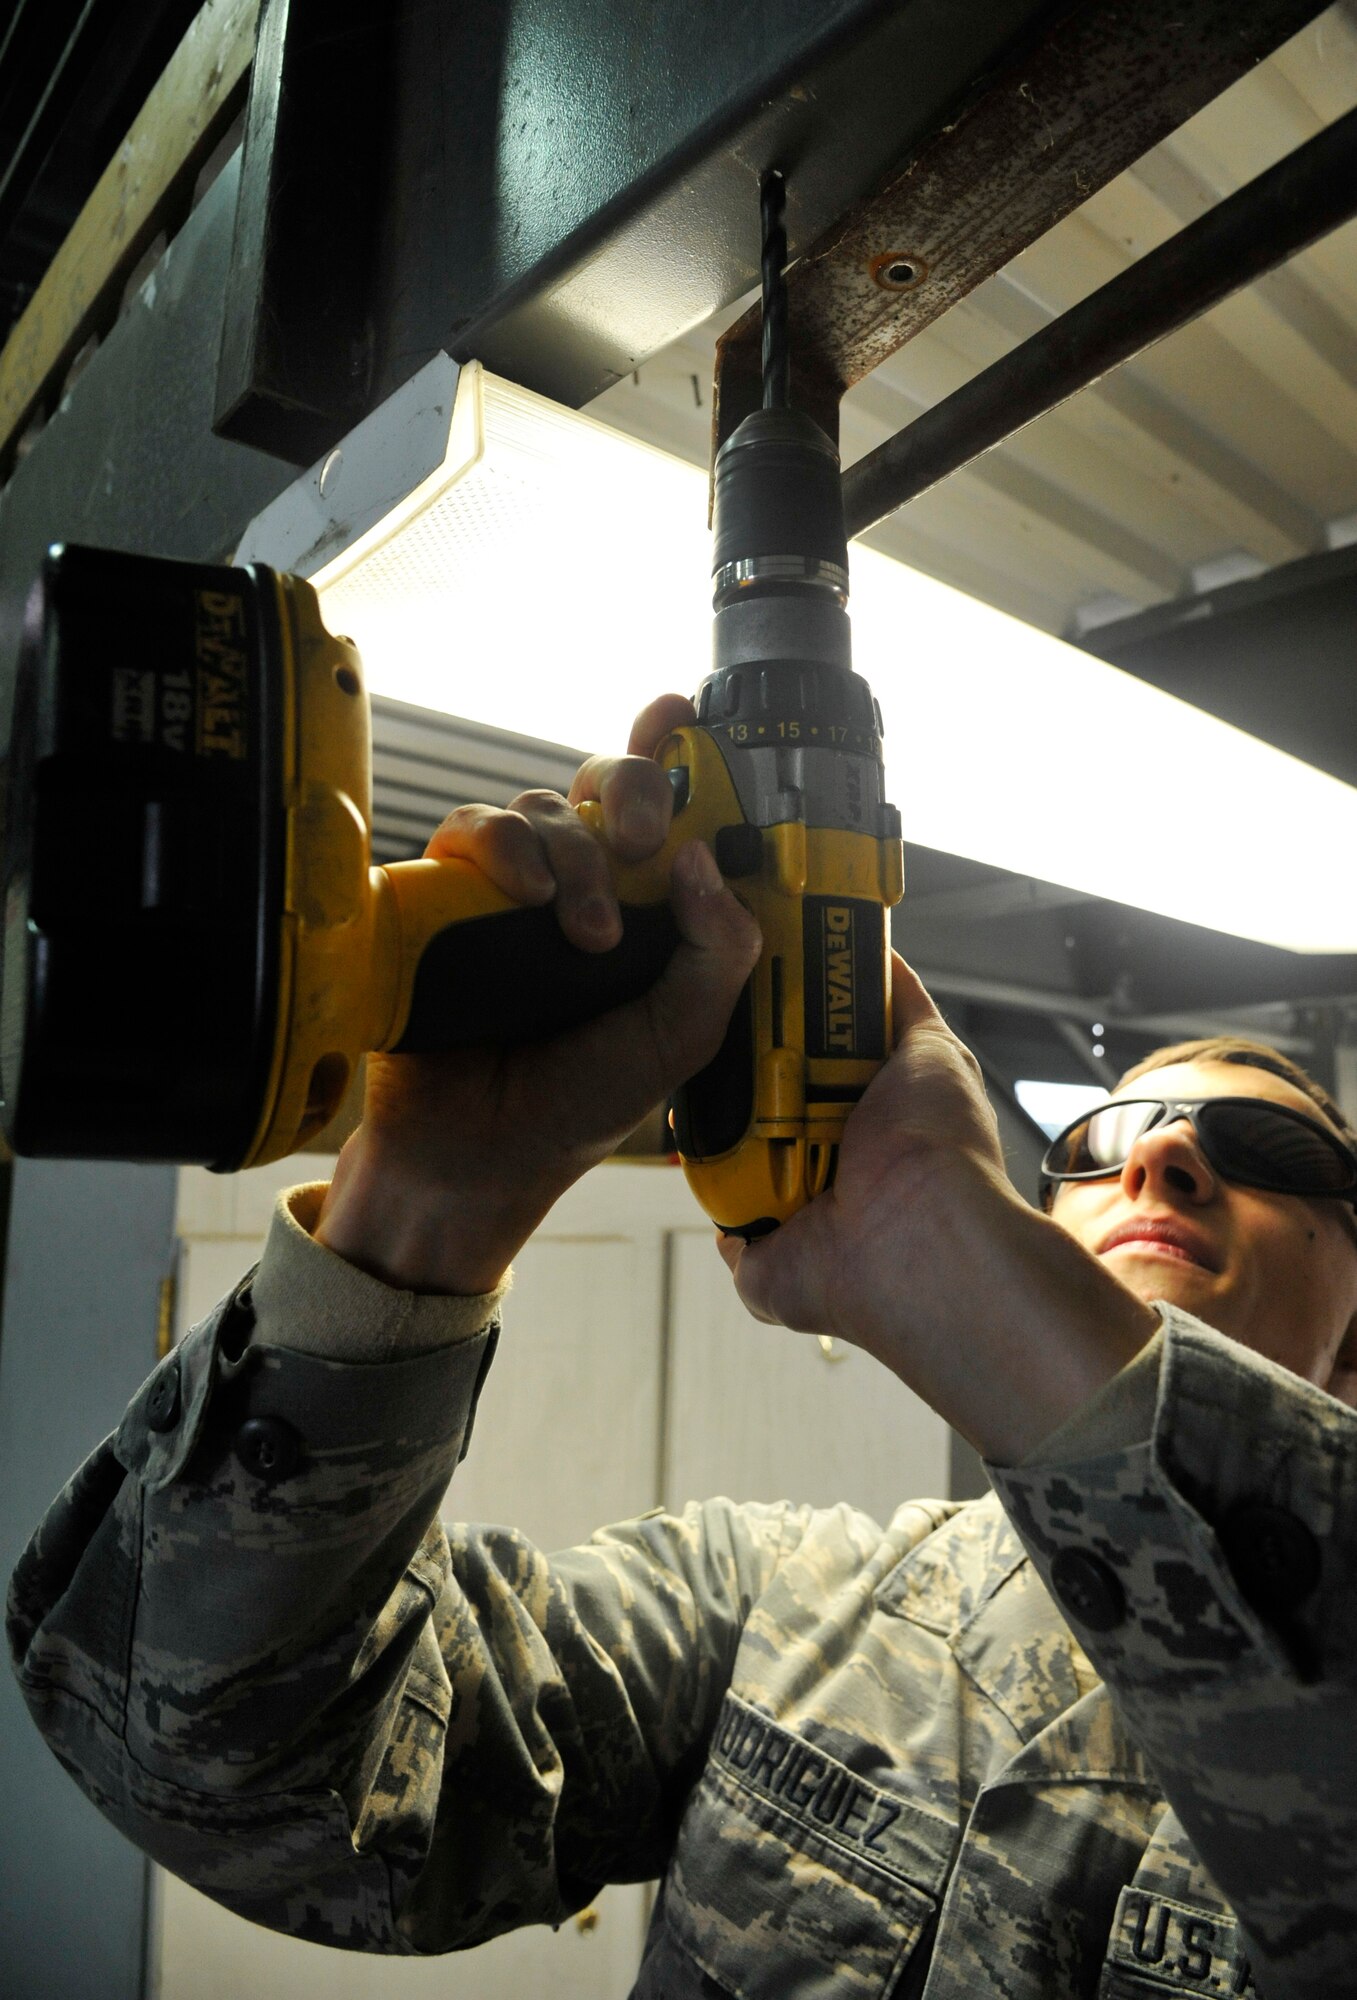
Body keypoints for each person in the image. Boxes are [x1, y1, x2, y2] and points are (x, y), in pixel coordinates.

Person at [9, 695, 1357, 2000]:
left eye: (1266, 1152)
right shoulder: (773, 1603)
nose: (1167, 1155)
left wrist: (955, 1253)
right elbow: (236, 1772)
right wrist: (426, 1212)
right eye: (1102, 1142)